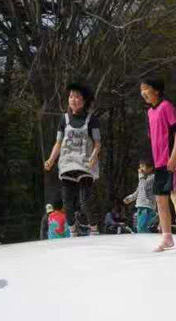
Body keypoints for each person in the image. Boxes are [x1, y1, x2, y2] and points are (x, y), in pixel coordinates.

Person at [44, 82, 101, 237]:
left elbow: (97, 143)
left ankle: (94, 229)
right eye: (71, 96)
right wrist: (51, 159)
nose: (73, 100)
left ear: (84, 100)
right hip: (67, 163)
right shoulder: (64, 119)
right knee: (67, 201)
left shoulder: (92, 120)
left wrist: (94, 155)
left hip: (85, 163)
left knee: (84, 201)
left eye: (77, 97)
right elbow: (58, 142)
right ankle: (72, 231)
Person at [140, 77, 176, 253]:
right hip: (159, 162)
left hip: (172, 161)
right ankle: (167, 237)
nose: (143, 93)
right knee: (160, 200)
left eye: (146, 89)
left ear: (157, 91)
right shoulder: (150, 112)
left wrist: (174, 156)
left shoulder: (166, 106)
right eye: (141, 90)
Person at [123, 161, 156, 234]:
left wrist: (140, 176)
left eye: (143, 167)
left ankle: (148, 242)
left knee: (142, 228)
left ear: (150, 168)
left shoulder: (152, 178)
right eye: (140, 167)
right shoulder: (143, 179)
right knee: (140, 227)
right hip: (140, 205)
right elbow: (138, 191)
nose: (140, 169)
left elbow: (144, 187)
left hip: (147, 206)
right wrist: (130, 198)